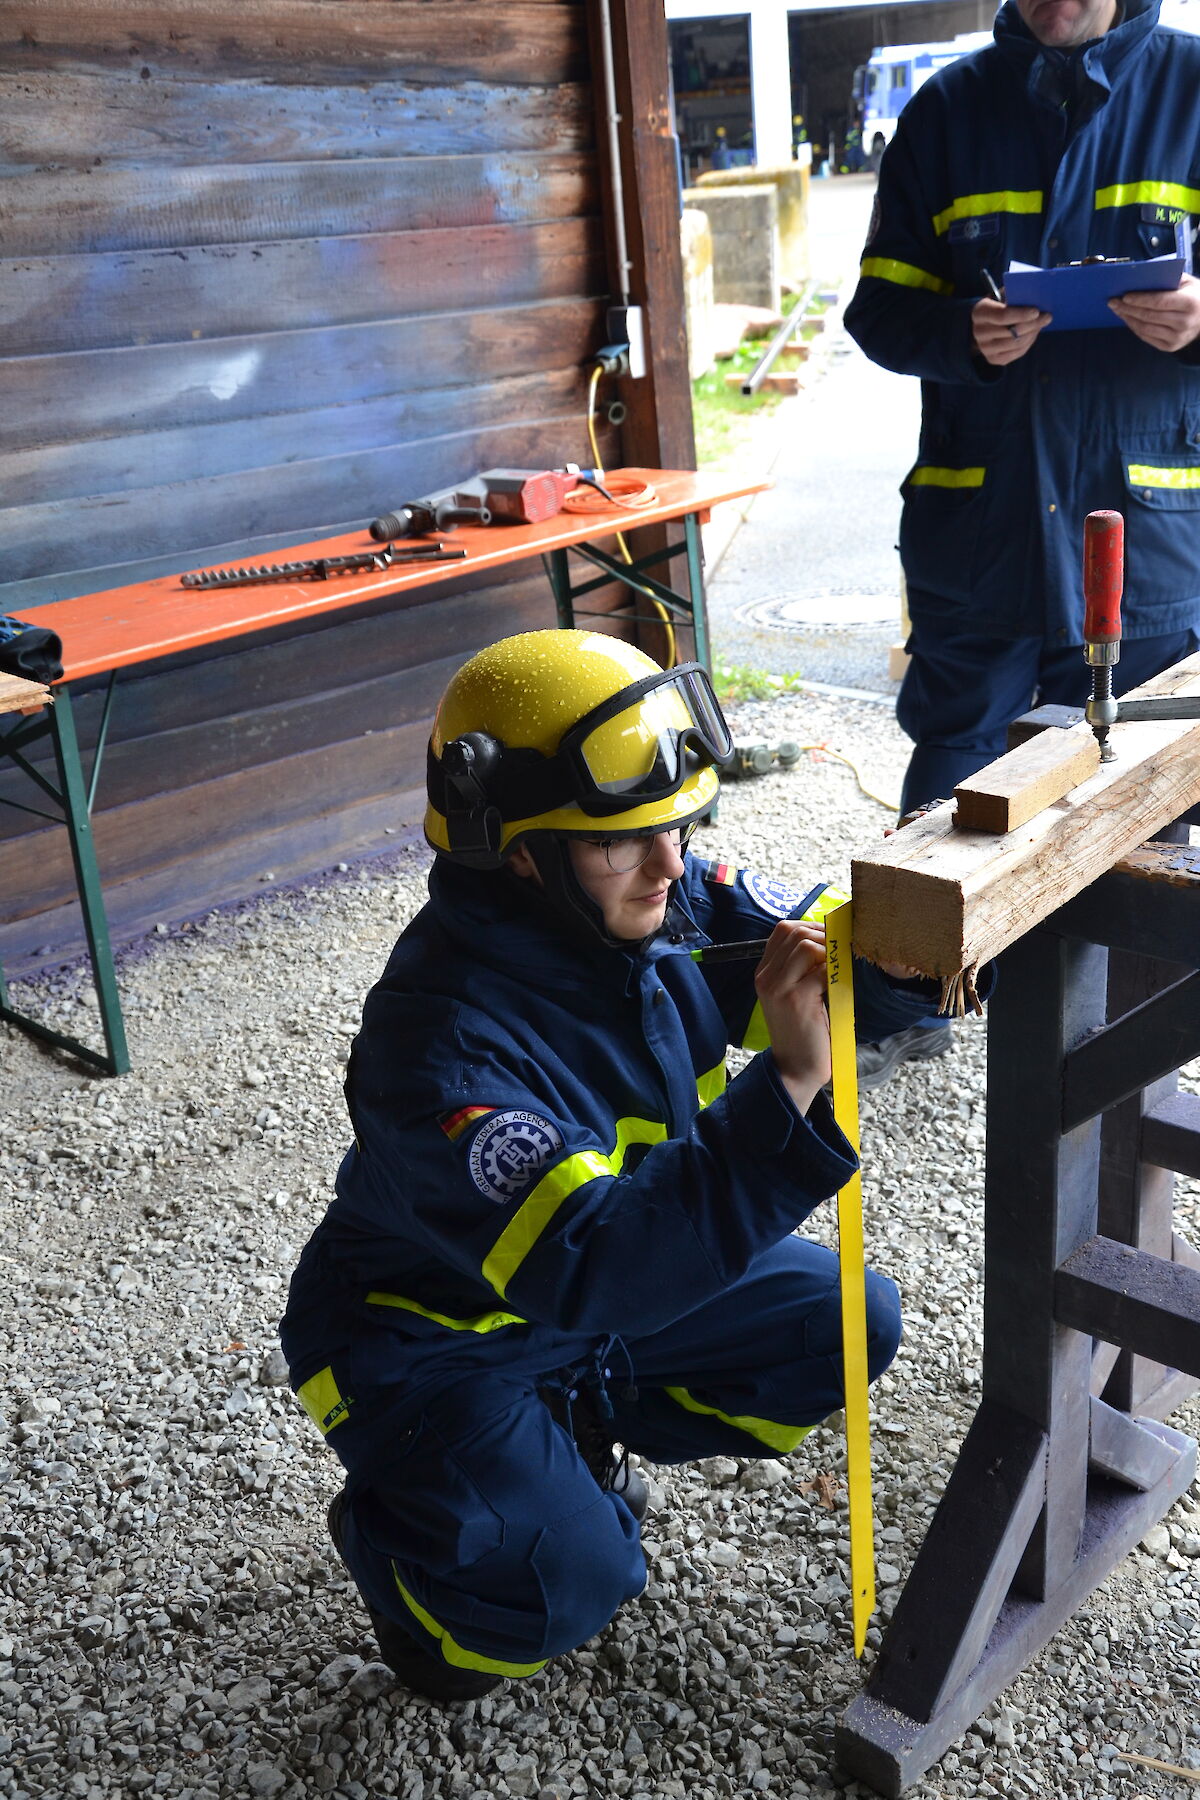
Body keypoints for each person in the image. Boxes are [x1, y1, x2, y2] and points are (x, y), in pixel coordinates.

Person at [279, 629, 962, 1704]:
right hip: (429, 1342)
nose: (672, 865)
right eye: (626, 842)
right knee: (570, 1581)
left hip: (587, 1298)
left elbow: (825, 953)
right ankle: (410, 1566)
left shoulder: (643, 897)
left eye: (679, 828)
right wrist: (785, 1087)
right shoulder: (440, 1051)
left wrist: (918, 950)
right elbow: (601, 1265)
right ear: (515, 850)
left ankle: (568, 1426)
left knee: (847, 1318)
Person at [845, 0, 1200, 828]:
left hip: (1144, 549)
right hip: (980, 546)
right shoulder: (944, 111)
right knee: (946, 825)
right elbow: (878, 314)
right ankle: (943, 968)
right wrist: (959, 333)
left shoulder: (1191, 90)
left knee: (1146, 822)